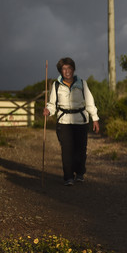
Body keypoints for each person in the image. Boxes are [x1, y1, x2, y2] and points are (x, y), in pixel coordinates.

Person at [44, 57, 100, 186]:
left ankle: (80, 173)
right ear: (60, 71)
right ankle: (68, 177)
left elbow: (90, 102)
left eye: (69, 68)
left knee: (80, 149)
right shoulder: (56, 85)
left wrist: (95, 118)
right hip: (63, 121)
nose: (67, 71)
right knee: (67, 150)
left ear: (73, 69)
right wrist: (48, 110)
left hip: (81, 121)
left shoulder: (82, 83)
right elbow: (52, 104)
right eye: (64, 69)